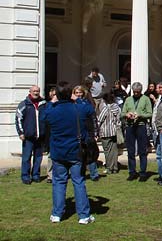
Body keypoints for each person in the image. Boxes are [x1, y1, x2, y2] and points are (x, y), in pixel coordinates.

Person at [42, 81, 95, 224]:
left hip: (58, 151)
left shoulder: (52, 110)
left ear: (57, 95)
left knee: (58, 182)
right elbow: (90, 109)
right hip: (75, 151)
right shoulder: (78, 108)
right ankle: (83, 215)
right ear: (70, 94)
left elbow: (43, 116)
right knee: (78, 182)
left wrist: (52, 102)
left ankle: (57, 214)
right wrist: (77, 99)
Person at [122, 82, 153, 181]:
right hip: (130, 126)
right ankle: (132, 172)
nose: (136, 94)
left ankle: (143, 173)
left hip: (141, 126)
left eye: (138, 92)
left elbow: (150, 113)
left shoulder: (146, 99)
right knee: (130, 151)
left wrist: (140, 115)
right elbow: (122, 113)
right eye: (134, 92)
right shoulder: (128, 99)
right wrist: (127, 114)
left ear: (141, 91)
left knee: (142, 151)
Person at [15, 85, 46, 184]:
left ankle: (36, 175)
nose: (36, 93)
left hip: (40, 136)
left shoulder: (43, 103)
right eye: (34, 91)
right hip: (28, 137)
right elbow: (18, 119)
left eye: (37, 91)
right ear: (30, 92)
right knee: (26, 158)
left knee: (38, 158)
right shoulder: (24, 104)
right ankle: (25, 176)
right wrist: (21, 133)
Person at [72, 85, 99, 182]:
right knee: (79, 156)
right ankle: (80, 174)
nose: (78, 94)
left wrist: (96, 133)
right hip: (76, 133)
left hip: (87, 133)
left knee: (91, 154)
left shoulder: (87, 104)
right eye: (76, 93)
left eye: (80, 92)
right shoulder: (71, 104)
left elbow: (94, 119)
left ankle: (94, 174)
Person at [97, 92, 121, 174]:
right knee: (114, 151)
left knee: (107, 151)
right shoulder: (117, 107)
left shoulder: (106, 108)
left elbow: (99, 120)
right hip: (114, 131)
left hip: (105, 132)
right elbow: (119, 119)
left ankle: (109, 168)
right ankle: (114, 167)